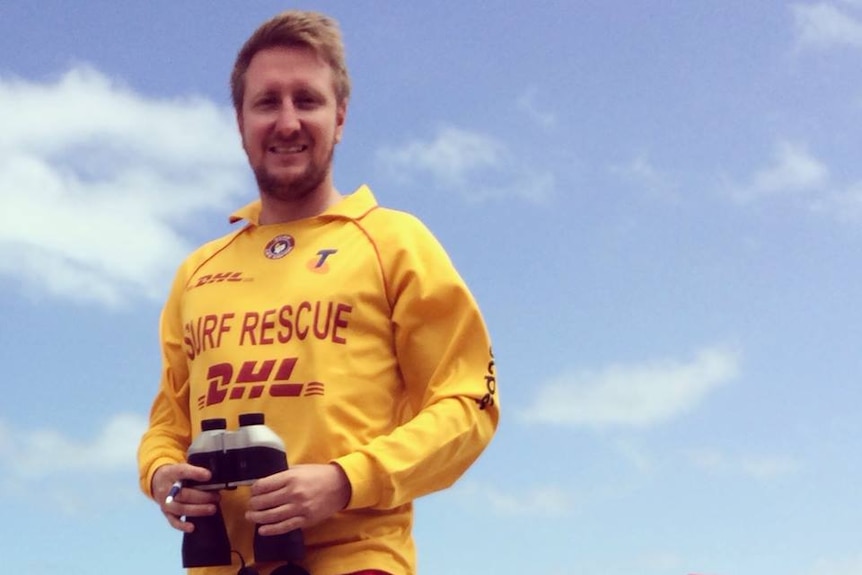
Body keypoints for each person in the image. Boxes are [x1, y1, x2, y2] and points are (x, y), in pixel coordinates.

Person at [137, 9, 499, 575]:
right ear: (240, 121)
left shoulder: (394, 242)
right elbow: (168, 425)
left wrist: (345, 480)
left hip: (357, 560)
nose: (286, 122)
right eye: (267, 102)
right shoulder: (197, 271)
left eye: (306, 100)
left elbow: (468, 404)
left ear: (340, 117)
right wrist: (161, 476)